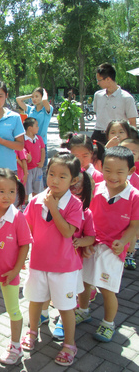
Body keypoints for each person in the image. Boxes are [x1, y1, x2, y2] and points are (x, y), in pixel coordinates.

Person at [23, 152, 83, 366]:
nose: (55, 180)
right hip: (38, 263)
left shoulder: (75, 205)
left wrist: (55, 209)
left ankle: (69, 344)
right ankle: (31, 330)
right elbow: (27, 229)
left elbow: (68, 232)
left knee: (66, 306)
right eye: (51, 174)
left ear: (73, 180)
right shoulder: (36, 200)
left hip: (64, 267)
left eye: (62, 176)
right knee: (35, 300)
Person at [80, 146, 139, 342]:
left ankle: (108, 323)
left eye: (119, 172)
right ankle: (83, 311)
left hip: (113, 251)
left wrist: (123, 242)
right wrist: (86, 241)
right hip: (92, 245)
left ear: (130, 171)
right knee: (85, 282)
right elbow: (89, 218)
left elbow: (133, 226)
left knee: (107, 289)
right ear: (101, 167)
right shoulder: (97, 189)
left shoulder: (134, 196)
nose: (112, 176)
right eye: (107, 170)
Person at [0, 169, 32, 366]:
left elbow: (25, 245)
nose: (7, 196)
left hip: (10, 274)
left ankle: (16, 345)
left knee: (14, 310)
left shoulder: (18, 217)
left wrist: (16, 270)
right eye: (1, 191)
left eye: (12, 191)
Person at [50, 171, 95, 341]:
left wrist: (82, 242)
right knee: (53, 292)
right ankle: (45, 314)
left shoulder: (86, 212)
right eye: (73, 185)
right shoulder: (56, 206)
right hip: (54, 260)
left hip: (73, 264)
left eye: (79, 186)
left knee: (69, 296)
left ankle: (64, 320)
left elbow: (91, 236)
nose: (74, 189)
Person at [92, 63, 138, 144]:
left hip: (116, 137)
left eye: (99, 80)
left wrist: (131, 142)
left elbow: (132, 123)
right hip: (98, 134)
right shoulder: (97, 95)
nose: (97, 83)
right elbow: (98, 114)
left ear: (108, 79)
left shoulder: (127, 98)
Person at [119, 138, 139, 269]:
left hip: (131, 212)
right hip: (116, 211)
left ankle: (129, 255)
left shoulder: (136, 179)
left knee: (132, 233)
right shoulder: (111, 174)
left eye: (134, 152)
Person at [23, 117, 46, 200]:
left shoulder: (39, 138)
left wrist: (42, 162)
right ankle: (24, 204)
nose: (38, 127)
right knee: (26, 189)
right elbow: (21, 153)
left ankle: (36, 202)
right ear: (30, 128)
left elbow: (43, 150)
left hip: (38, 168)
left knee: (38, 188)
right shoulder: (23, 140)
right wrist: (27, 158)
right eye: (36, 126)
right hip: (27, 170)